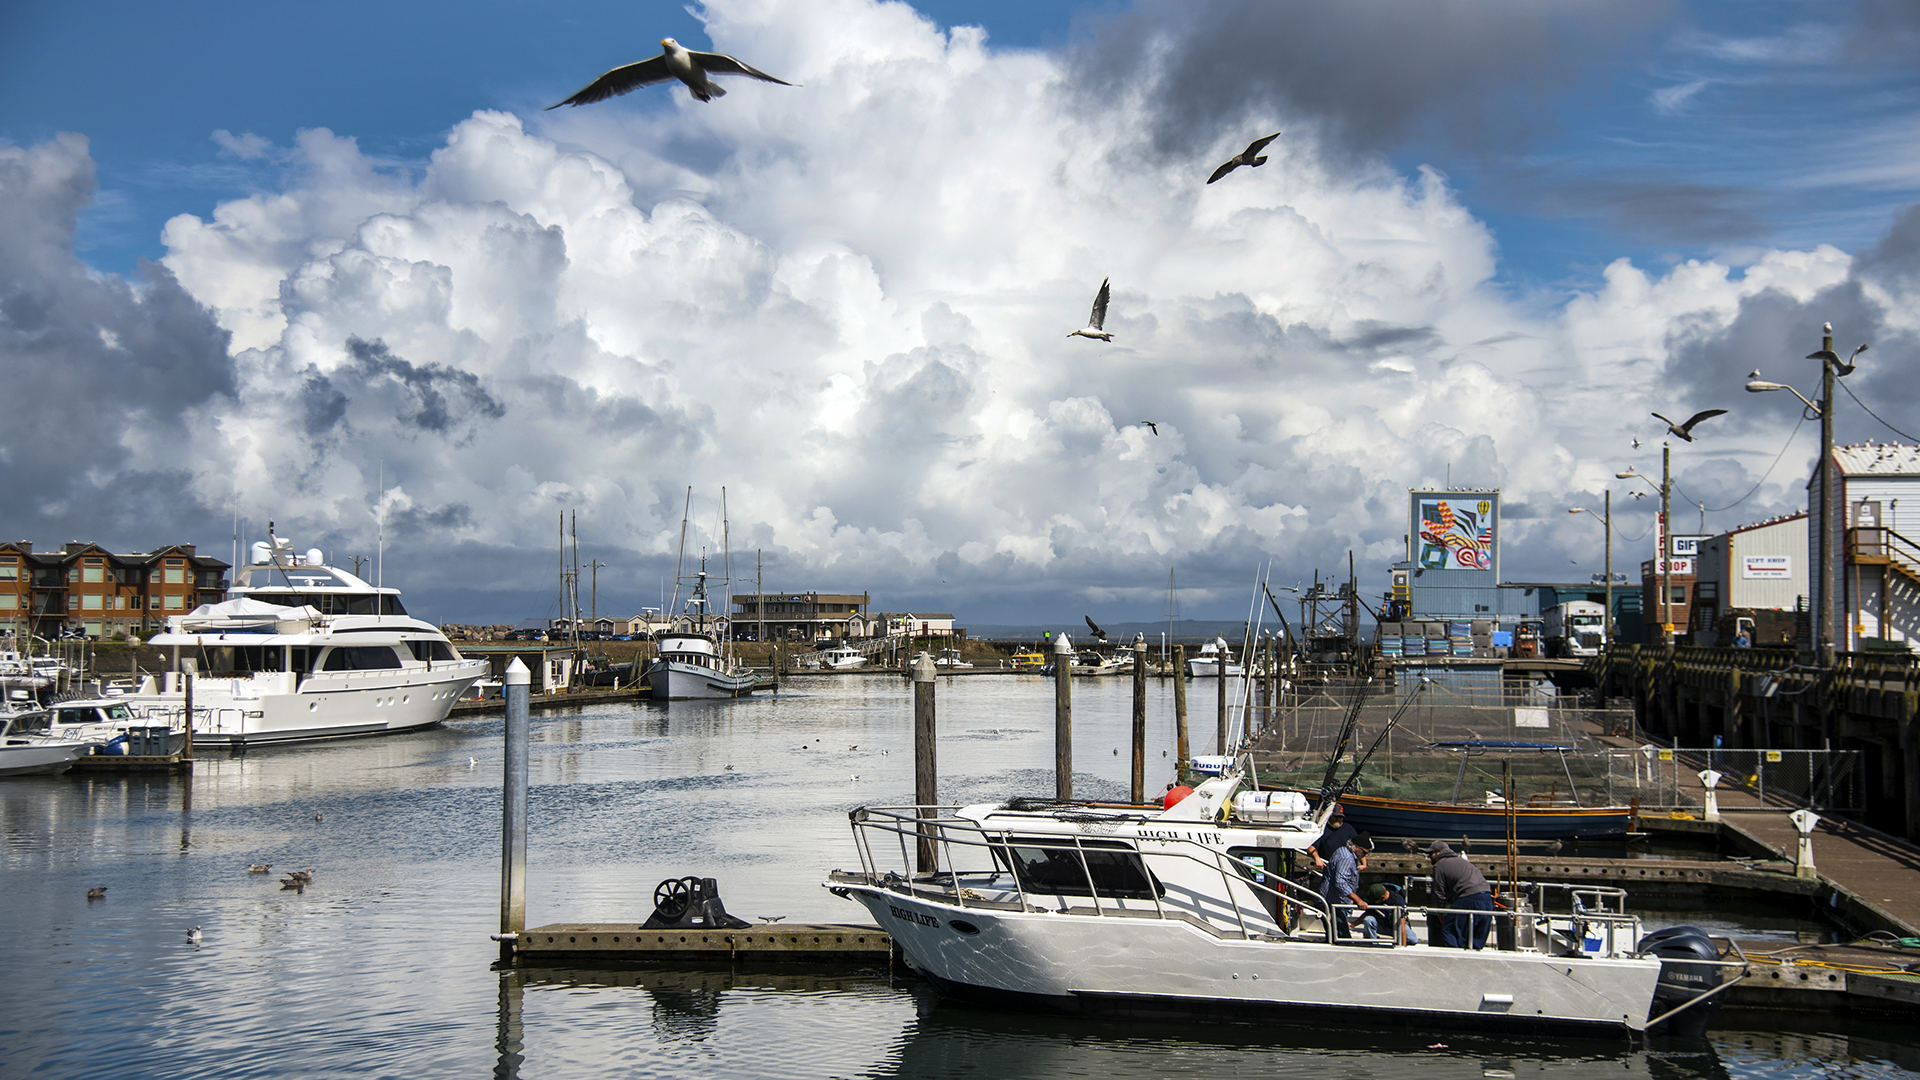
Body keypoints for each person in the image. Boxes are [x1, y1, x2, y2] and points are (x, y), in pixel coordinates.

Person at [1426, 840, 1494, 949]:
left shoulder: (1439, 865)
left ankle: (1453, 962)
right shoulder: (1462, 861)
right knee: (1476, 937)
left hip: (1468, 898)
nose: (1429, 857)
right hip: (1487, 898)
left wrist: (1441, 914)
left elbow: (1439, 893)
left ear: (1438, 852)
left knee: (1450, 932)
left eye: (1431, 854)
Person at [1318, 834, 1370, 940]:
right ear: (1356, 848)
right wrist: (1358, 900)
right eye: (1364, 853)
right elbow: (1340, 883)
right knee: (1342, 936)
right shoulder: (1346, 858)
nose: (1365, 856)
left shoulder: (1343, 851)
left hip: (1334, 900)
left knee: (1336, 933)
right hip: (1330, 901)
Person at [1310, 806, 1358, 870]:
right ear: (1329, 816)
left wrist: (1364, 864)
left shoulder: (1349, 829)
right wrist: (1317, 858)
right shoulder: (1322, 829)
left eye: (1340, 817)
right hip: (1328, 868)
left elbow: (1360, 846)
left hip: (1347, 867)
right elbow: (1311, 846)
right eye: (1336, 816)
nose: (1338, 819)